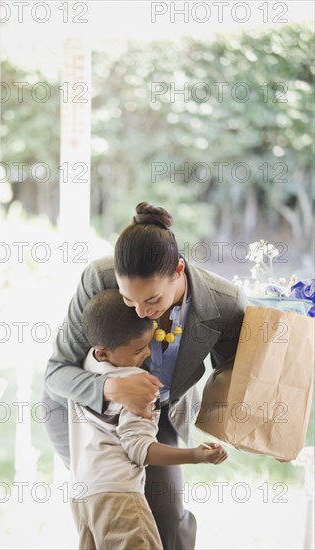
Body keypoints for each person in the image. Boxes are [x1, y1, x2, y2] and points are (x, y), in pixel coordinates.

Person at [43, 202, 246, 549]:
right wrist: (112, 387)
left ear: (178, 269)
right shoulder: (99, 279)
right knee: (110, 510)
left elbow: (235, 380)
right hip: (84, 417)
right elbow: (56, 373)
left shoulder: (224, 305)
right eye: (128, 300)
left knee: (167, 523)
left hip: (154, 414)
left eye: (152, 299)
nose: (141, 312)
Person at [69, 289, 227, 550]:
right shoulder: (138, 387)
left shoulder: (85, 367)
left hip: (82, 495)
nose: (147, 355)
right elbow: (141, 449)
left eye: (148, 344)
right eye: (138, 350)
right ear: (104, 352)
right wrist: (195, 455)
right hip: (119, 498)